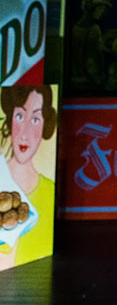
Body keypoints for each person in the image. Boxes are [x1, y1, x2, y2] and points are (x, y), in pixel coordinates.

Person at [0, 84, 58, 269]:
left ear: (45, 125)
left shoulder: (50, 192)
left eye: (35, 119)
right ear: (10, 119)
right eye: (19, 116)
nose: (25, 133)